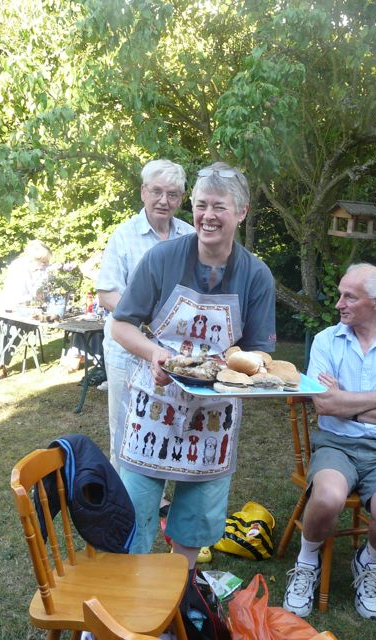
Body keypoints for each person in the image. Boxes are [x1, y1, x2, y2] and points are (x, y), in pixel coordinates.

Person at [111, 162, 276, 568]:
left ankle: (179, 599)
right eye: (201, 205)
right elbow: (120, 325)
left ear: (242, 211)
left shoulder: (256, 276)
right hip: (155, 407)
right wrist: (154, 353)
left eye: (219, 207)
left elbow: (260, 352)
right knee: (133, 513)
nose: (207, 216)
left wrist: (241, 368)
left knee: (194, 523)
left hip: (213, 420)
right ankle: (125, 609)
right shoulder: (162, 259)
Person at [283, 263, 376, 620]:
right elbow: (325, 403)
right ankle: (306, 562)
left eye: (350, 296)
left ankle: (369, 562)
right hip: (336, 445)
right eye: (340, 294)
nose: (339, 304)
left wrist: (351, 405)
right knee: (329, 497)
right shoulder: (326, 341)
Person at [96, 159, 195, 467]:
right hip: (127, 349)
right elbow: (106, 294)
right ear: (143, 192)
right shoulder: (124, 236)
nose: (164, 200)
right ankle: (122, 507)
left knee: (166, 426)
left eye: (172, 194)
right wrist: (148, 315)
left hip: (173, 353)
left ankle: (157, 498)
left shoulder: (190, 237)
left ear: (181, 199)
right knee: (126, 428)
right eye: (156, 191)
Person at [0, 239, 52, 379]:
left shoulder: (43, 271)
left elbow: (41, 295)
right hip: (9, 304)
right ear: (33, 260)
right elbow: (14, 294)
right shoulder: (18, 267)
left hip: (28, 310)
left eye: (46, 261)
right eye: (43, 261)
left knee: (17, 325)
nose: (46, 264)